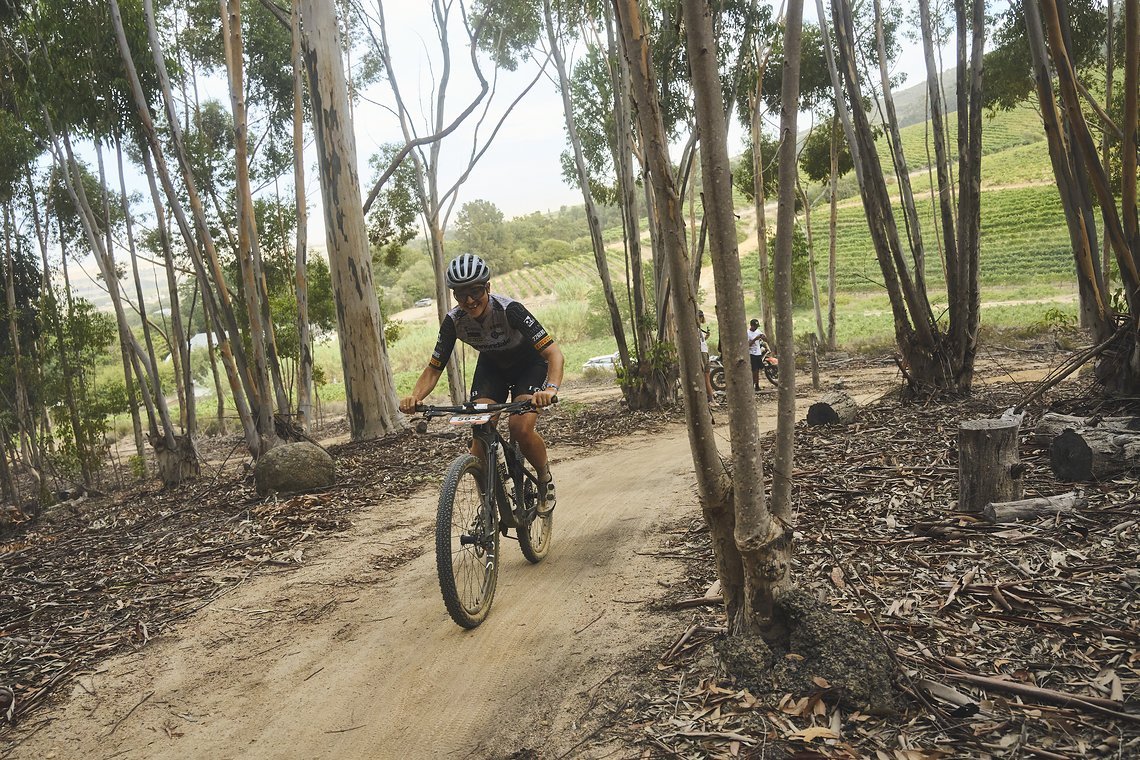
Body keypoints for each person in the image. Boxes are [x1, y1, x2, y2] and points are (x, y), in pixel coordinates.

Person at [400, 253, 564, 515]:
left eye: (475, 291)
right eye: (460, 295)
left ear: (487, 287)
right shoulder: (454, 321)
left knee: (519, 428)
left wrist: (550, 389)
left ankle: (544, 479)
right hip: (493, 369)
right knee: (479, 436)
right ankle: (488, 504)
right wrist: (414, 397)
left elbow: (553, 353)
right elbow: (434, 368)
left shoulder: (510, 310)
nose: (468, 300)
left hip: (529, 366)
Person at [698, 310, 715, 405]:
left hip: (704, 353)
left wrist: (706, 337)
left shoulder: (698, 329)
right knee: (706, 377)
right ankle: (711, 399)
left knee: (706, 376)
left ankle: (710, 398)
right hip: (703, 353)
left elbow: (701, 342)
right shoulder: (696, 329)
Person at [747, 318, 767, 392]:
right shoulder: (747, 333)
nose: (756, 328)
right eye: (755, 326)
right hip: (752, 353)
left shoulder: (758, 331)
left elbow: (766, 339)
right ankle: (752, 385)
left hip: (758, 353)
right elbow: (748, 344)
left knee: (757, 370)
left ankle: (757, 385)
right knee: (753, 370)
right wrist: (755, 339)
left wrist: (763, 337)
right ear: (751, 326)